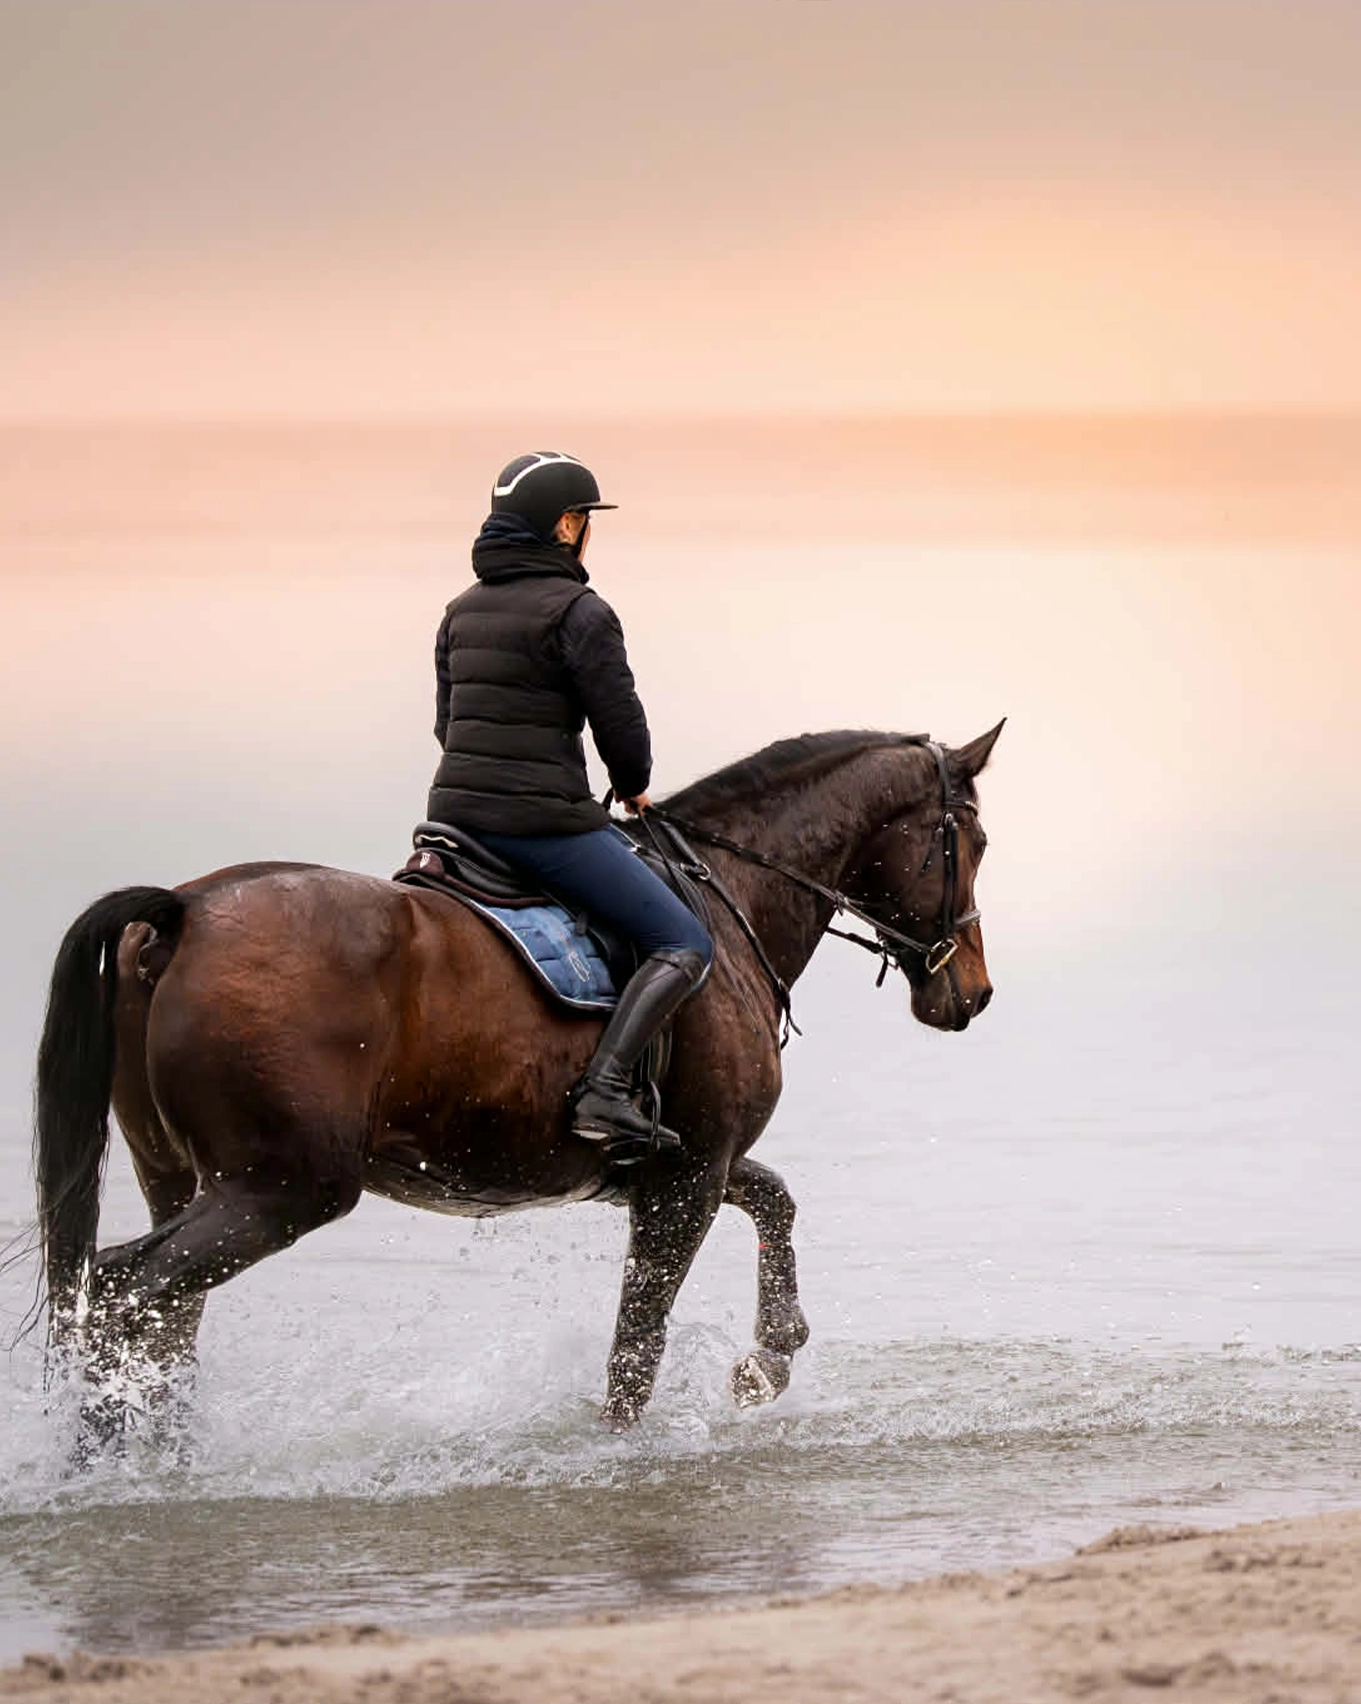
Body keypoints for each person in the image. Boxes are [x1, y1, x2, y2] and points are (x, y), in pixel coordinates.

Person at [428, 451, 713, 1159]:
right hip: (540, 824)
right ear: (564, 525)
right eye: (585, 519)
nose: (587, 531)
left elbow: (446, 726)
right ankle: (605, 1091)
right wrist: (632, 780)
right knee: (685, 942)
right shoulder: (581, 611)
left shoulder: (460, 611)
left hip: (455, 819)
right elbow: (618, 723)